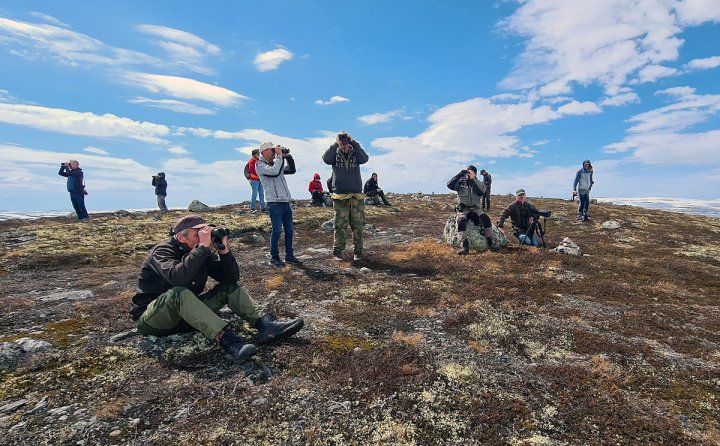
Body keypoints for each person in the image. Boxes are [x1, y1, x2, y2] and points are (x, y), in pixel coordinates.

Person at [130, 215, 304, 363]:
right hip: (153, 319)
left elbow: (230, 279)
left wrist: (223, 250)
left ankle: (266, 326)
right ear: (181, 236)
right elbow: (177, 278)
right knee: (177, 293)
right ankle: (229, 342)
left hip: (187, 316)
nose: (203, 237)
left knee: (227, 289)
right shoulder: (163, 251)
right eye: (199, 233)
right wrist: (202, 249)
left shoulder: (200, 251)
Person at [322, 131, 369, 261]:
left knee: (358, 225)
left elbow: (365, 158)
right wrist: (335, 144)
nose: (343, 143)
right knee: (339, 225)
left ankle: (358, 252)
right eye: (341, 141)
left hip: (356, 196)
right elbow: (325, 159)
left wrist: (353, 142)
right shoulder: (334, 153)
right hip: (340, 196)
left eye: (345, 140)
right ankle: (337, 252)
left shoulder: (355, 153)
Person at [255, 142, 303, 267]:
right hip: (274, 203)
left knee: (290, 231)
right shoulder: (260, 165)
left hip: (285, 202)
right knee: (276, 231)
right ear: (264, 151)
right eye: (272, 150)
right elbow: (275, 171)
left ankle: (289, 255)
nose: (274, 152)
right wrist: (280, 157)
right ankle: (274, 257)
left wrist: (287, 156)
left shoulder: (276, 162)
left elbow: (292, 170)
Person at [447, 165, 499, 254]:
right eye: (468, 172)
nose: (468, 174)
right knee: (461, 221)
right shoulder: (460, 182)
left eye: (471, 172)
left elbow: (483, 190)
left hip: (476, 209)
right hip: (464, 209)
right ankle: (464, 245)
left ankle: (491, 241)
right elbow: (449, 184)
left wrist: (473, 179)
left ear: (475, 173)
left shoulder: (477, 183)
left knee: (485, 218)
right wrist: (460, 174)